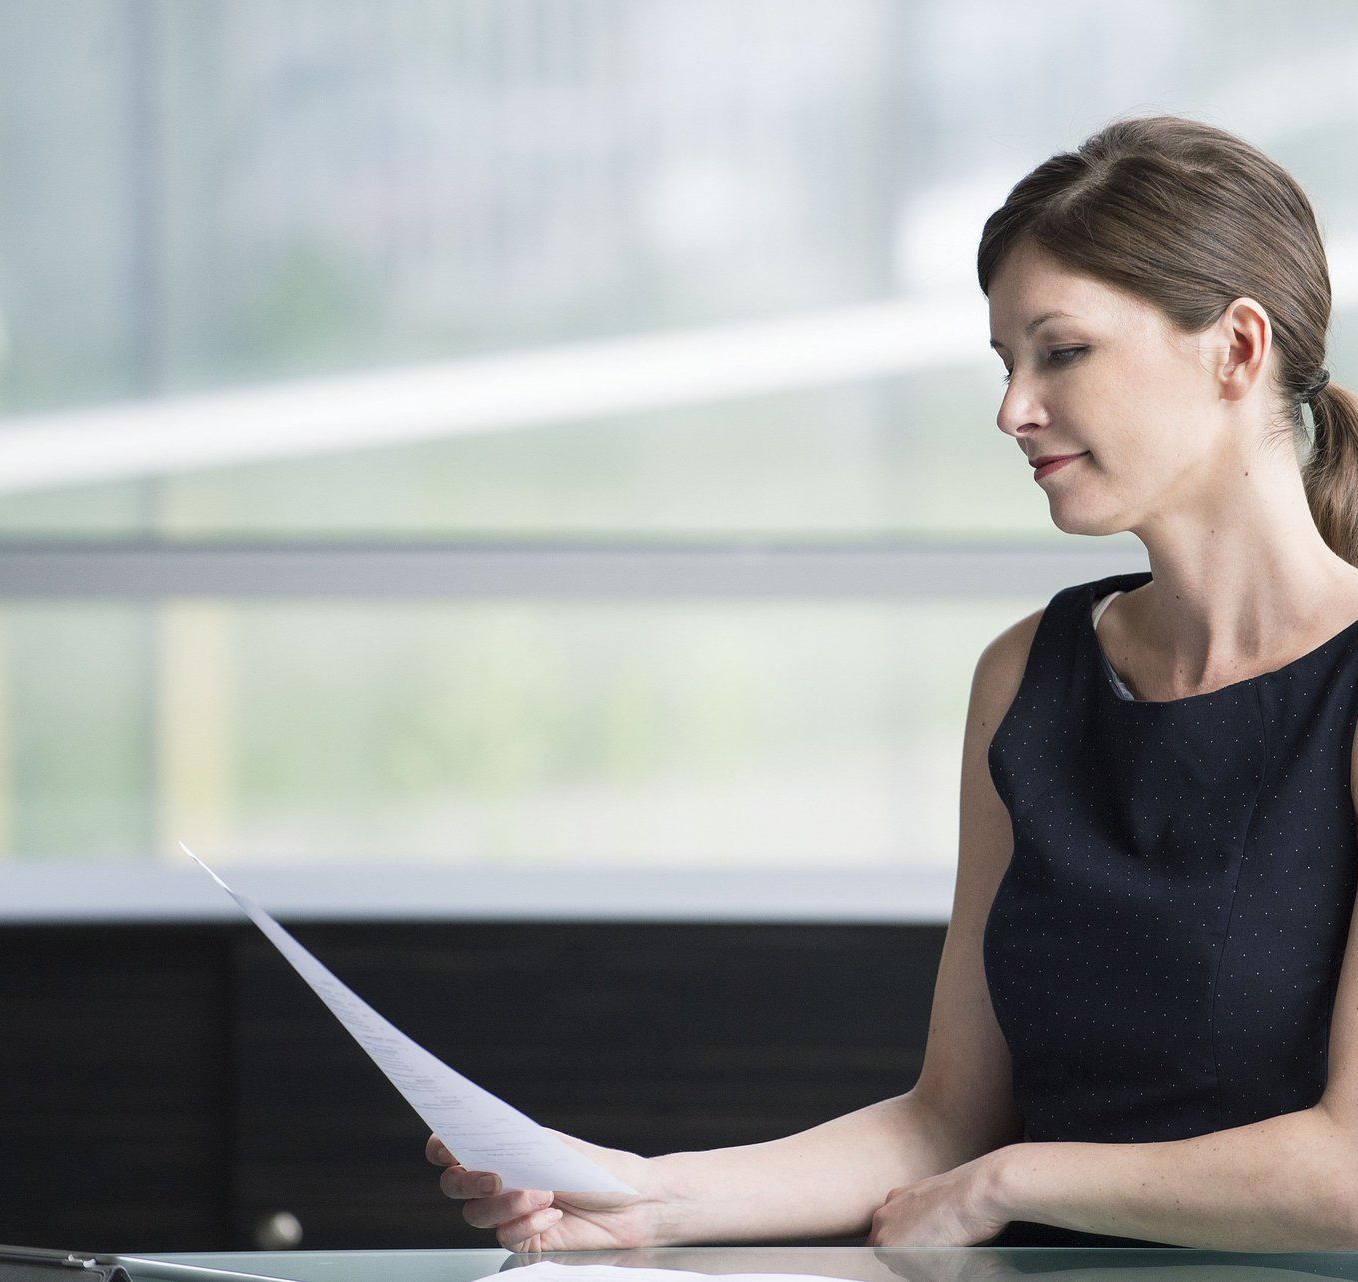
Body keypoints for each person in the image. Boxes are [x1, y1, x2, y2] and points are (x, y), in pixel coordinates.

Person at [426, 114, 1358, 1253]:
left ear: (1236, 349)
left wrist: (1010, 1180)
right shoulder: (1026, 677)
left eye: (1061, 352)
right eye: (1006, 364)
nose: (1013, 409)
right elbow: (943, 1123)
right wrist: (636, 1196)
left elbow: (1347, 1171)